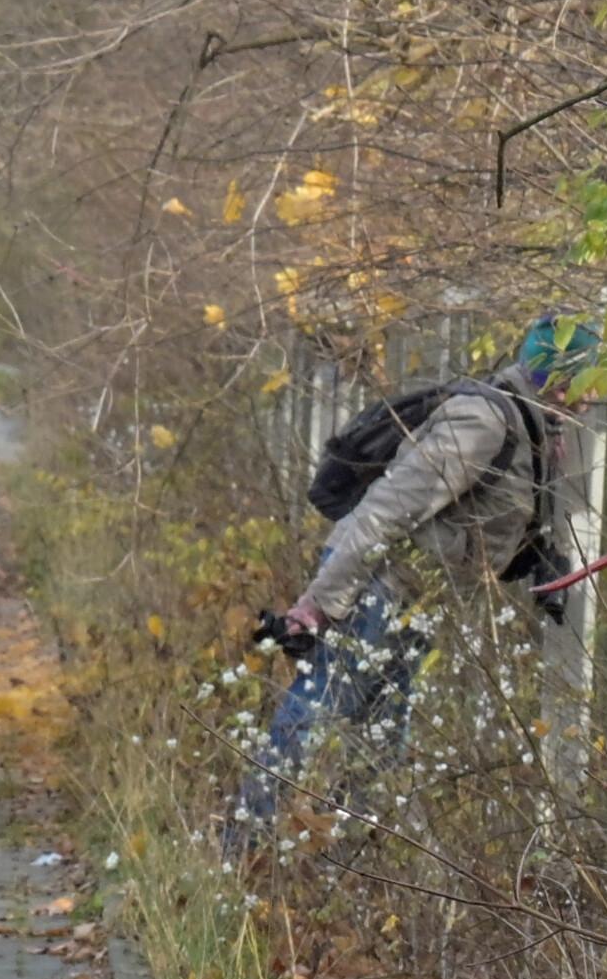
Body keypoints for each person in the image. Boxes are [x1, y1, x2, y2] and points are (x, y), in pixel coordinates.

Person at [226, 320, 579, 843]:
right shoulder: (482, 423)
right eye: (585, 376)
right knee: (314, 717)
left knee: (381, 744)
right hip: (375, 589)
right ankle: (245, 845)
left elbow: (476, 521)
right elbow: (384, 512)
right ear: (555, 375)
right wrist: (319, 605)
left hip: (411, 601)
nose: (596, 392)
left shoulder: (533, 427)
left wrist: (539, 561)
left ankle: (348, 869)